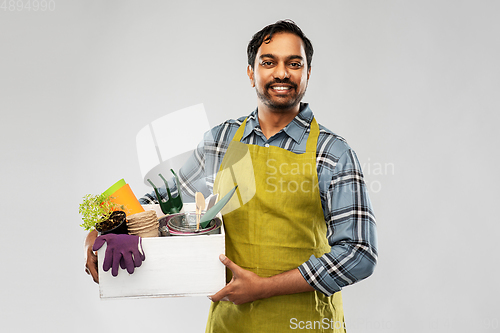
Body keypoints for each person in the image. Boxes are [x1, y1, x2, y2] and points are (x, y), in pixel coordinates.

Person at [85, 20, 377, 332]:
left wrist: (265, 287)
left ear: (307, 74)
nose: (281, 73)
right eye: (269, 62)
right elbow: (164, 201)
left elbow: (359, 253)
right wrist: (104, 227)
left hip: (306, 323)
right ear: (251, 73)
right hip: (231, 324)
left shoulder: (332, 152)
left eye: (294, 63)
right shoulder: (220, 141)